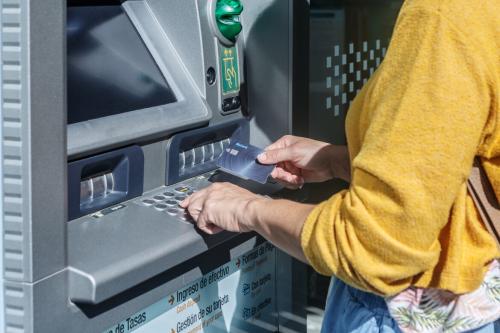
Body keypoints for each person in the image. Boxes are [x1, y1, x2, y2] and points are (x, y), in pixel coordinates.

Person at [181, 0, 500, 331]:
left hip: (408, 312)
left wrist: (248, 209)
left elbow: (374, 245)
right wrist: (338, 161)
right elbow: (458, 154)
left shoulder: (444, 14)